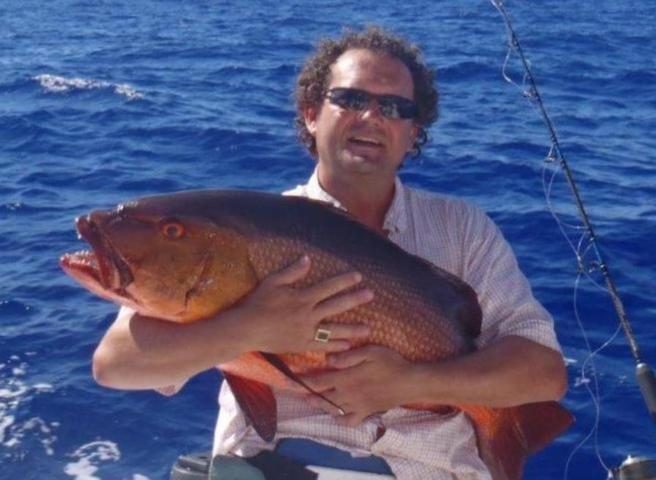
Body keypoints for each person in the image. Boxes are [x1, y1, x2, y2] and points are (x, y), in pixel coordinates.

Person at [92, 26, 567, 479]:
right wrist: (252, 325)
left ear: (413, 131)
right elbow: (115, 365)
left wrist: (411, 383)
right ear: (311, 113)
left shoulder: (463, 231)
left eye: (395, 107)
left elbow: (543, 374)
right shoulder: (248, 232)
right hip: (273, 464)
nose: (372, 117)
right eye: (351, 99)